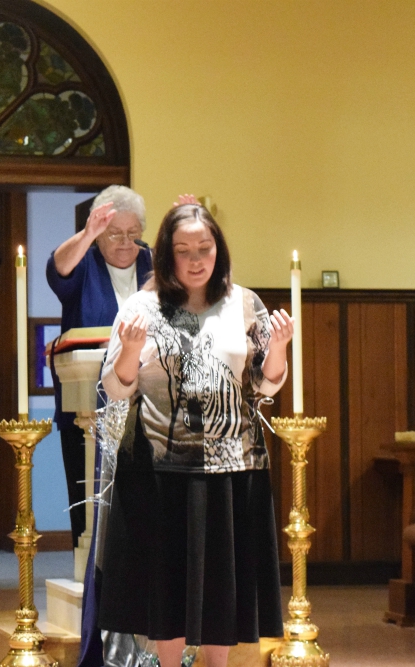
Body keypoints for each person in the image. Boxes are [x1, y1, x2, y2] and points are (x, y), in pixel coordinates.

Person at [97, 203, 294, 667]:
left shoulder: (244, 303)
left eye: (203, 248)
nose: (194, 259)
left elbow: (265, 385)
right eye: (183, 250)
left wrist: (279, 349)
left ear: (218, 251)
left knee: (222, 584)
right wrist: (128, 350)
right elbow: (114, 386)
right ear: (167, 256)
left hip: (232, 467)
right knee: (166, 584)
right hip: (159, 467)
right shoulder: (142, 306)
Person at [46, 185, 152, 546]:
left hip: (150, 407)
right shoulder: (83, 263)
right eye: (114, 233)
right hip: (86, 406)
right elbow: (57, 269)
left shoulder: (154, 264)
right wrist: (88, 233)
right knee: (90, 506)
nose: (125, 243)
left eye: (132, 234)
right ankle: (89, 573)